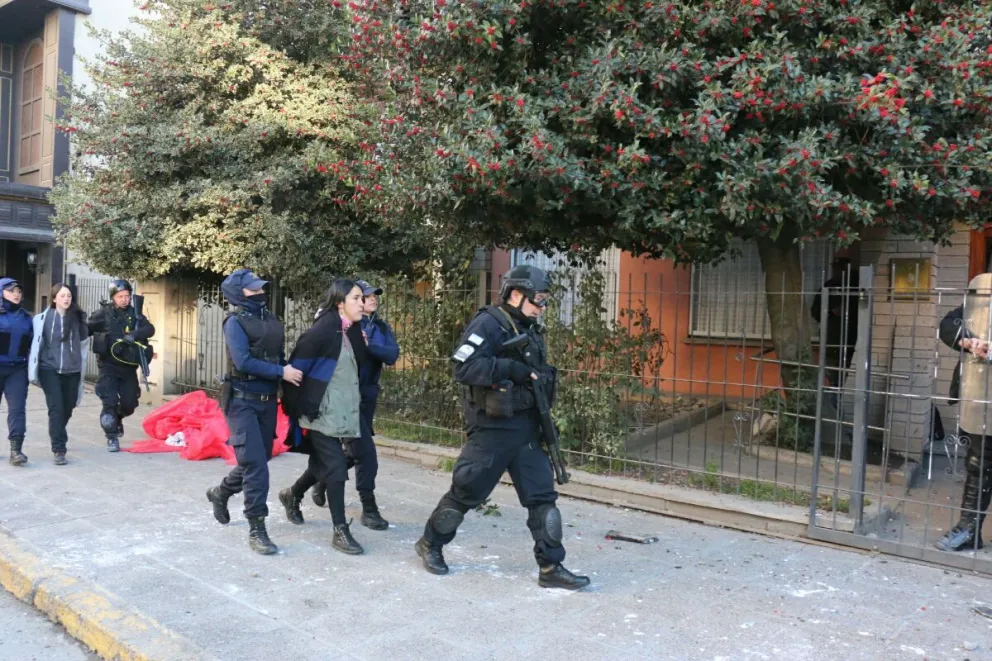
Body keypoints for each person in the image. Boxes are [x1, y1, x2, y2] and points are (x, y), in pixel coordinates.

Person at [414, 265, 590, 590]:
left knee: (543, 500)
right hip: (492, 430)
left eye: (544, 300)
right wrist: (508, 368)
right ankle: (430, 543)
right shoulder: (489, 324)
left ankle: (551, 566)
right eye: (538, 299)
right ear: (516, 294)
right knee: (466, 493)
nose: (541, 306)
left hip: (526, 427)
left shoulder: (530, 328)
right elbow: (463, 366)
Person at [205, 269, 302, 555]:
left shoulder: (272, 320)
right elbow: (243, 361)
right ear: (238, 293)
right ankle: (257, 528)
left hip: (268, 401)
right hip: (241, 400)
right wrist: (280, 372)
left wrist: (288, 378)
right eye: (252, 290)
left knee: (256, 460)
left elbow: (280, 357)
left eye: (260, 288)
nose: (260, 293)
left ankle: (221, 492)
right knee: (257, 467)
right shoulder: (234, 323)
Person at [280, 279, 368, 555]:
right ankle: (340, 530)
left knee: (323, 464)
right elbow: (296, 371)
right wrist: (301, 409)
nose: (362, 304)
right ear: (340, 303)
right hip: (319, 414)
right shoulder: (321, 332)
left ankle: (292, 493)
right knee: (337, 468)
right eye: (356, 298)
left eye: (362, 299)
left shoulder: (350, 331)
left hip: (343, 413)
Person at [305, 279, 399, 531]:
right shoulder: (342, 326)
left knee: (345, 455)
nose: (371, 299)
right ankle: (369, 509)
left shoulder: (378, 327)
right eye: (364, 296)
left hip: (366, 399)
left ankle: (300, 489)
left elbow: (392, 354)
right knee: (366, 456)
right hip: (342, 400)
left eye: (373, 296)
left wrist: (370, 344)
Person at [936, 273, 992, 552]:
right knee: (979, 464)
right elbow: (947, 325)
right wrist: (970, 342)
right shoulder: (980, 297)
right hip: (982, 398)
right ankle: (969, 530)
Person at [86, 280, 155, 452]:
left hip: (128, 368)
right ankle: (111, 436)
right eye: (120, 296)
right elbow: (85, 329)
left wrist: (135, 333)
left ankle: (118, 417)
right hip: (108, 367)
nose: (124, 299)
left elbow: (150, 329)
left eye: (127, 296)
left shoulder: (135, 314)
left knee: (129, 405)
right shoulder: (103, 314)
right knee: (108, 403)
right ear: (113, 298)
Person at [28, 283, 90, 465]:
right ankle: (59, 448)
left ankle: (57, 431)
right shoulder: (42, 319)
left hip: (73, 369)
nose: (66, 299)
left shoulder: (78, 319)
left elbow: (85, 340)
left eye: (69, 296)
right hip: (50, 369)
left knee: (69, 406)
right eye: (62, 296)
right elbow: (36, 344)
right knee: (56, 408)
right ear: (54, 298)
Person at [810, 258, 859, 401]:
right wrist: (831, 312)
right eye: (836, 268)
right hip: (831, 340)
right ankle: (834, 403)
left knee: (847, 377)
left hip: (852, 341)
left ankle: (841, 404)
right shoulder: (828, 286)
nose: (837, 271)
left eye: (841, 268)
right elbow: (815, 311)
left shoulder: (856, 285)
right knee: (832, 377)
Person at [0, 278, 32, 466]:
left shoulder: (27, 318)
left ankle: (16, 450)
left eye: (18, 291)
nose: (16, 294)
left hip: (17, 370)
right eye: (12, 291)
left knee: (17, 410)